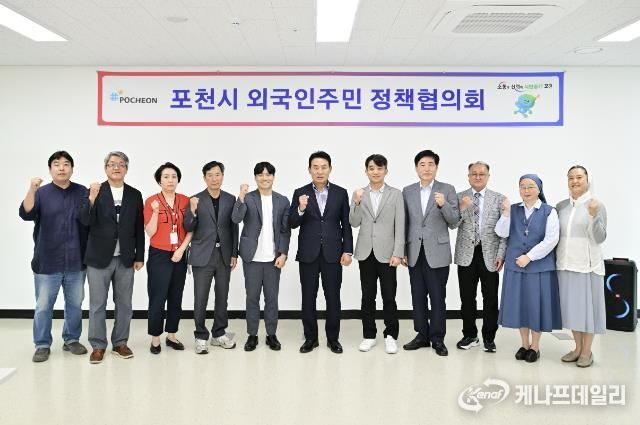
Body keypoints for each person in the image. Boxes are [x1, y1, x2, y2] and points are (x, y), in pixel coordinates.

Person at [19, 151, 89, 362]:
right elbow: (26, 214)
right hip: (47, 260)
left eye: (66, 164)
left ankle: (71, 339)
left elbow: (89, 220)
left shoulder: (82, 192)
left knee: (75, 305)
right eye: (57, 164)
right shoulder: (41, 193)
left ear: (72, 169)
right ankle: (42, 344)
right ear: (50, 169)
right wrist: (32, 189)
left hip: (76, 260)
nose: (61, 168)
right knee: (43, 306)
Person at [80, 151, 145, 364]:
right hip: (98, 258)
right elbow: (84, 221)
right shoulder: (95, 191)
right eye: (111, 164)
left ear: (126, 168)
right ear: (105, 168)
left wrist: (139, 255)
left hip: (126, 258)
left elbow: (138, 226)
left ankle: (120, 343)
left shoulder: (135, 194)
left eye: (120, 164)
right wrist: (91, 198)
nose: (116, 167)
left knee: (124, 304)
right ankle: (98, 345)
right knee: (97, 304)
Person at [290, 151, 353, 354]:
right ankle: (311, 338)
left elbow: (346, 225)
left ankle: (333, 339)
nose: (319, 171)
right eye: (315, 167)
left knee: (333, 297)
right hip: (308, 253)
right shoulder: (300, 192)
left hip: (333, 253)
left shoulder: (341, 193)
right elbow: (292, 222)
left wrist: (348, 250)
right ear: (309, 170)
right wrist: (300, 208)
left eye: (323, 167)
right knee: (308, 297)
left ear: (330, 169)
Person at [496, 174, 562, 363]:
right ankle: (524, 344)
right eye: (523, 186)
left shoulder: (549, 211)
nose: (526, 190)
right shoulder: (513, 209)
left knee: (535, 306)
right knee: (520, 306)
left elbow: (551, 239)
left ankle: (535, 347)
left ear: (539, 189)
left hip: (539, 267)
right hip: (516, 266)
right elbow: (501, 232)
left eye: (531, 186)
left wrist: (530, 257)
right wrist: (506, 213)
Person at [402, 150, 459, 357]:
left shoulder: (447, 189)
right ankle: (422, 335)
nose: (427, 168)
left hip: (438, 252)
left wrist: (444, 205)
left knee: (437, 297)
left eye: (431, 164)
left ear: (436, 167)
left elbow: (454, 222)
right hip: (414, 251)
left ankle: (437, 338)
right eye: (422, 164)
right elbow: (404, 222)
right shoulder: (407, 191)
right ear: (416, 168)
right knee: (417, 296)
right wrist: (403, 251)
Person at [231, 162, 291, 352]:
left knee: (272, 298)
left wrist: (283, 253)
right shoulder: (248, 198)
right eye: (261, 175)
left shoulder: (282, 200)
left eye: (268, 174)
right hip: (252, 258)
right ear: (255, 177)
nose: (265, 178)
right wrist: (240, 197)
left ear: (273, 176)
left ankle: (271, 334)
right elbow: (236, 218)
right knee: (252, 298)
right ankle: (252, 335)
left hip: (273, 259)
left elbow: (285, 230)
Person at [349, 154, 404, 354]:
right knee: (367, 296)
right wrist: (356, 202)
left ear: (386, 171)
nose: (375, 172)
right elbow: (354, 222)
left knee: (389, 296)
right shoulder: (359, 193)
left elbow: (400, 225)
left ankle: (391, 335)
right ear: (366, 171)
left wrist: (398, 252)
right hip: (366, 252)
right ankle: (369, 335)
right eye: (371, 168)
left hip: (388, 253)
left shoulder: (395, 194)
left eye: (379, 168)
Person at [184, 161, 239, 354]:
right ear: (204, 178)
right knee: (201, 298)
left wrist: (234, 253)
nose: (214, 178)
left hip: (224, 254)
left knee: (222, 296)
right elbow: (188, 227)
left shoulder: (230, 199)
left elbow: (234, 228)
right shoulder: (195, 199)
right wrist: (192, 211)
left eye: (217, 174)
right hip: (202, 256)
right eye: (210, 175)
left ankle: (219, 333)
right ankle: (200, 336)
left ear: (222, 176)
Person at [453, 161, 506, 353]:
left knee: (490, 298)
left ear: (488, 177)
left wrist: (501, 254)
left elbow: (505, 230)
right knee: (467, 298)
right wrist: (461, 207)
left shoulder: (499, 199)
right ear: (468, 176)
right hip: (466, 254)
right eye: (473, 174)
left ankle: (489, 338)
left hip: (490, 255)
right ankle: (470, 335)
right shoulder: (459, 197)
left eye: (481, 174)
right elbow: (452, 224)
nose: (477, 177)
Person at [556, 165, 607, 368]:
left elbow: (600, 237)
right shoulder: (561, 206)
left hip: (587, 266)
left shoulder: (596, 205)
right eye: (571, 177)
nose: (574, 181)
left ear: (587, 180)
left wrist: (593, 216)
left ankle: (587, 351)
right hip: (565, 264)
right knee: (573, 310)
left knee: (588, 311)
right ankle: (577, 348)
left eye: (579, 177)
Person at [144, 163, 192, 354]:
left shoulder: (186, 200)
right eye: (166, 177)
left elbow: (192, 228)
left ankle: (171, 335)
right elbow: (150, 231)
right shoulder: (151, 201)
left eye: (174, 176)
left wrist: (181, 250)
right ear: (159, 180)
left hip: (180, 253)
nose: (170, 180)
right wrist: (156, 212)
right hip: (159, 255)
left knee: (175, 296)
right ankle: (155, 338)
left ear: (178, 179)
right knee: (157, 296)